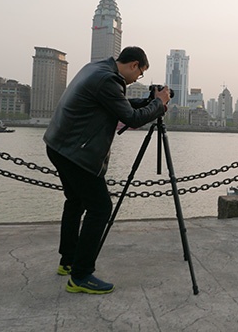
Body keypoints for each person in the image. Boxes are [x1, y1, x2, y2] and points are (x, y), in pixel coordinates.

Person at [44, 46, 170, 294]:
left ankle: (68, 261)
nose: (137, 79)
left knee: (76, 201)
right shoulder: (109, 79)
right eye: (140, 73)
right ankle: (80, 276)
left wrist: (149, 102)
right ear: (134, 65)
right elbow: (132, 119)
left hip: (59, 146)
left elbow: (116, 105)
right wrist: (159, 104)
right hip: (76, 153)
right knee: (101, 208)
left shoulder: (97, 68)